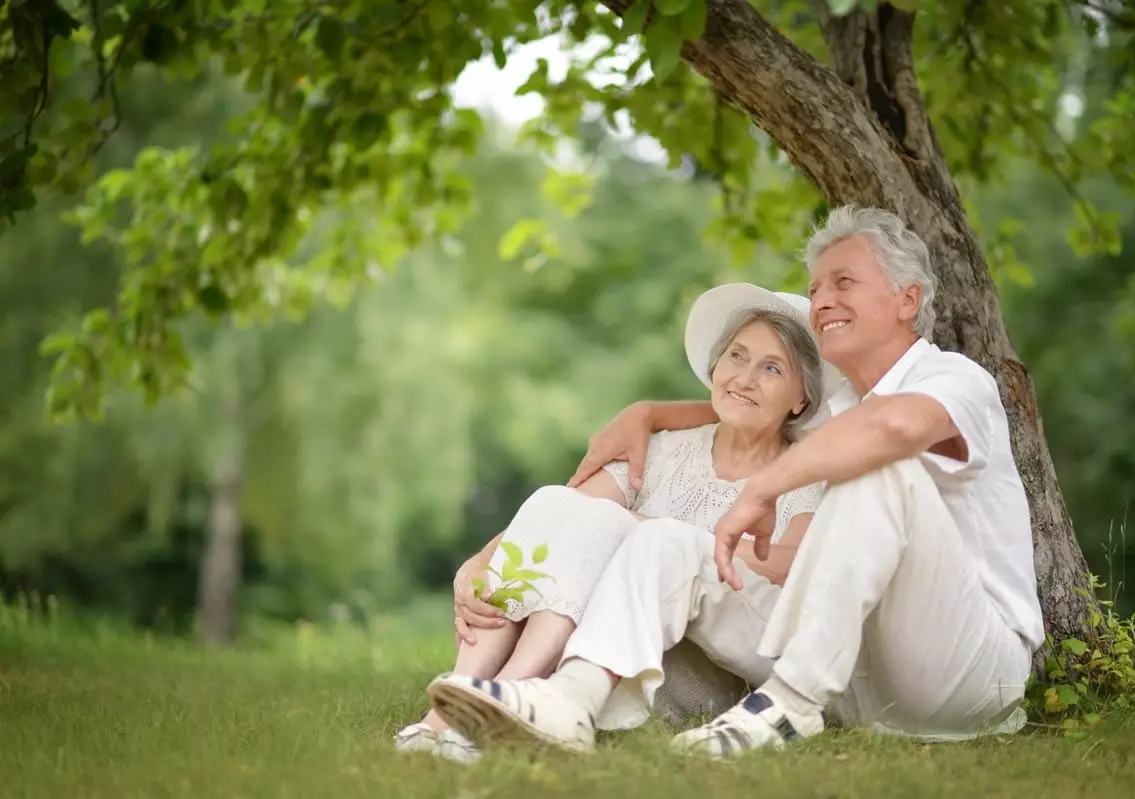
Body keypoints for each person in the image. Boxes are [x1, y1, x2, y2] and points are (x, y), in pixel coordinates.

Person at [424, 205, 1045, 757]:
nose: (822, 299)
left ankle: (790, 704)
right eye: (816, 287)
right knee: (665, 540)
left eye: (844, 282)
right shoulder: (841, 409)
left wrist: (763, 488)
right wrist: (651, 414)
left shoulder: (954, 380)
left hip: (966, 668)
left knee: (879, 466)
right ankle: (569, 699)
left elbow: (893, 429)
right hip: (856, 676)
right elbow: (759, 402)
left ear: (907, 300)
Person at [395, 282, 837, 761]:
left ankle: (489, 702)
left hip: (687, 667)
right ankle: (450, 714)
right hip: (588, 645)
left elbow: (792, 565)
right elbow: (557, 518)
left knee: (612, 523)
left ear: (800, 399)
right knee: (556, 500)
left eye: (771, 368)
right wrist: (478, 563)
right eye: (736, 356)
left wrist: (643, 525)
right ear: (715, 366)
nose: (744, 377)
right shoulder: (668, 450)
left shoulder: (802, 475)